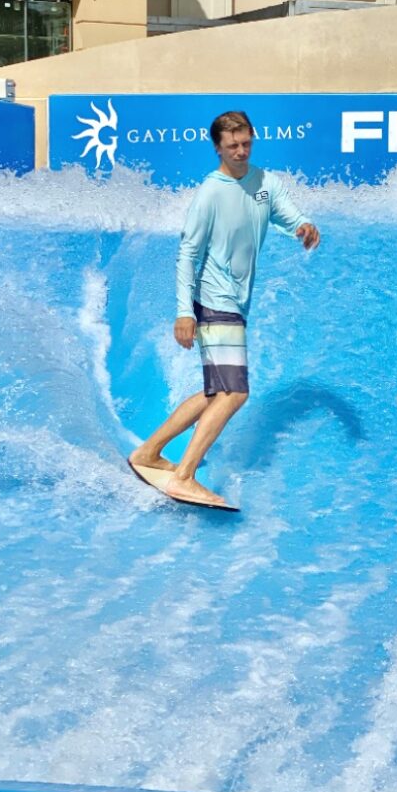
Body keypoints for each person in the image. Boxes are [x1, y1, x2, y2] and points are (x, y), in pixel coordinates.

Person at [129, 109, 320, 508]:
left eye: (246, 142)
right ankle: (184, 475)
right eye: (232, 145)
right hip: (215, 300)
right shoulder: (210, 192)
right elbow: (187, 253)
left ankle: (147, 453)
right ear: (218, 147)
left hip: (235, 302)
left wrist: (304, 226)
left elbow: (287, 214)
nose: (241, 151)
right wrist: (184, 312)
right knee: (235, 393)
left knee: (215, 391)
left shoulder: (265, 182)